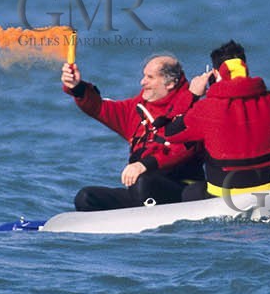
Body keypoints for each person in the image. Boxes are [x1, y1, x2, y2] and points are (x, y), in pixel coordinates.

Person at [62, 53, 200, 211]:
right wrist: (77, 87)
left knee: (143, 182)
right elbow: (99, 108)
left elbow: (182, 150)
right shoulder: (136, 108)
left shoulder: (192, 108)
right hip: (141, 193)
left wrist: (144, 164)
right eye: (144, 76)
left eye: (150, 77)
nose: (142, 82)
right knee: (85, 198)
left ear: (169, 83)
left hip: (180, 190)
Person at [164, 40, 270, 201]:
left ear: (215, 73)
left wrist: (192, 95)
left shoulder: (206, 108)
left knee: (188, 191)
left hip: (223, 196)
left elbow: (170, 132)